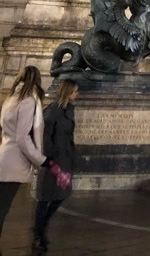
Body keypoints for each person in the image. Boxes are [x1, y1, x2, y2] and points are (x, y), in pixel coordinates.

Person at [0, 66, 47, 245]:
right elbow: (22, 137)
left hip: (3, 155)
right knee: (2, 207)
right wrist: (40, 159)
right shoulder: (28, 101)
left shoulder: (10, 98)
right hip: (14, 162)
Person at [32, 79, 77, 254]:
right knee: (45, 199)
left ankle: (41, 227)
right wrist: (50, 159)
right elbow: (45, 137)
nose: (77, 95)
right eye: (74, 91)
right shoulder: (52, 111)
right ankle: (38, 232)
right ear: (67, 93)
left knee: (60, 196)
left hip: (64, 159)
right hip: (53, 161)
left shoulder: (69, 110)